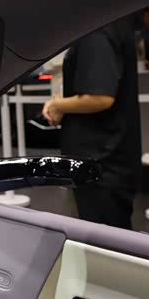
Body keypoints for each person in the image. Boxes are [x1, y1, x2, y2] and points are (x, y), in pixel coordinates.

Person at [42, 18, 141, 229]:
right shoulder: (109, 26)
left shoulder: (98, 31)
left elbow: (99, 97)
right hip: (105, 159)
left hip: (101, 162)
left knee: (106, 241)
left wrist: (58, 105)